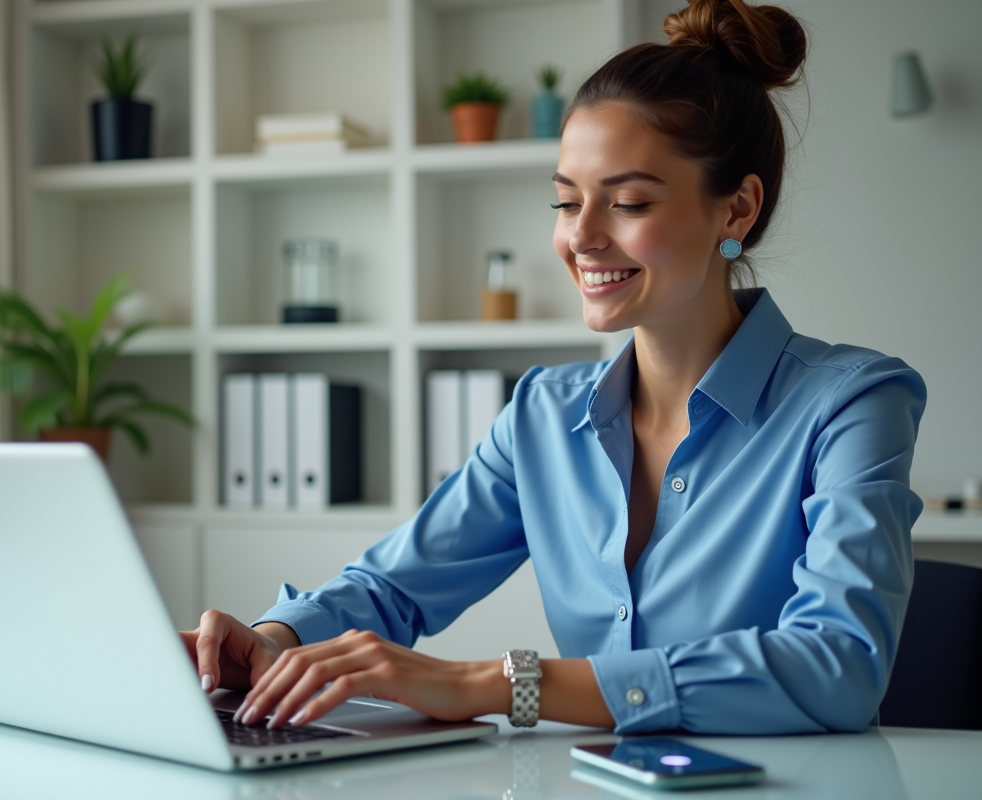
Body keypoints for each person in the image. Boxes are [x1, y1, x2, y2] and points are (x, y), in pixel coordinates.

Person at [181, 0, 926, 736]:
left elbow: (840, 667)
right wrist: (276, 640)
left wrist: (496, 683)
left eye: (628, 202)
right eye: (567, 203)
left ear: (737, 210)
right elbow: (393, 585)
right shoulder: (543, 414)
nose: (583, 238)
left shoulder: (851, 404)